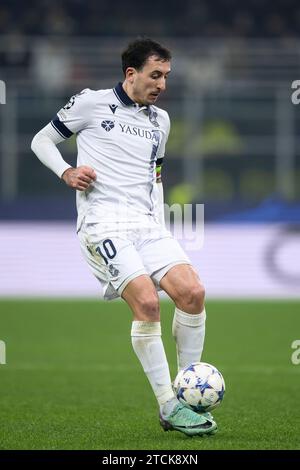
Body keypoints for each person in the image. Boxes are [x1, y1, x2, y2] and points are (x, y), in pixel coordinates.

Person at [31, 38, 217, 437]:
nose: (162, 84)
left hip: (147, 224)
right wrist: (66, 171)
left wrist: (161, 224)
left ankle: (188, 392)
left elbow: (156, 178)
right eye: (155, 75)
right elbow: (41, 140)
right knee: (147, 302)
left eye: (166, 76)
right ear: (131, 74)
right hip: (103, 223)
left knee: (193, 293)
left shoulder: (160, 122)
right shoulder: (90, 103)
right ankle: (169, 405)